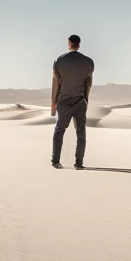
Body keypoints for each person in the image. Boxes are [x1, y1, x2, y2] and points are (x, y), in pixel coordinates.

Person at [51, 34, 94, 170]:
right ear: (79, 44)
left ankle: (55, 161)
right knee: (81, 131)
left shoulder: (59, 61)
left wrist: (53, 102)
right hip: (80, 101)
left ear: (69, 43)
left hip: (64, 101)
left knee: (59, 130)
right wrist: (85, 99)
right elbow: (88, 83)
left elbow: (55, 83)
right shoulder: (88, 62)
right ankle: (79, 163)